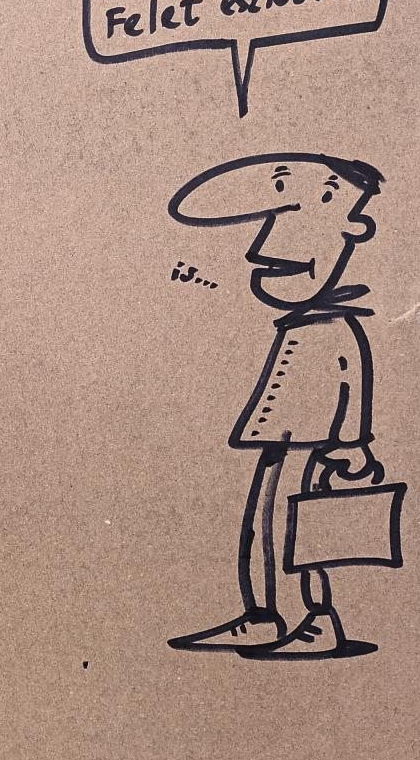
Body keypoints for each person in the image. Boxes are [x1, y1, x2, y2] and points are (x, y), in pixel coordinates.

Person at [166, 153, 390, 660]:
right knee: (262, 523)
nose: (262, 253)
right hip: (282, 443)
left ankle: (314, 619)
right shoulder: (302, 325)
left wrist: (352, 445)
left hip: (312, 446)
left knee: (297, 528)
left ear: (353, 229)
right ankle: (265, 616)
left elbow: (352, 383)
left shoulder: (336, 329)